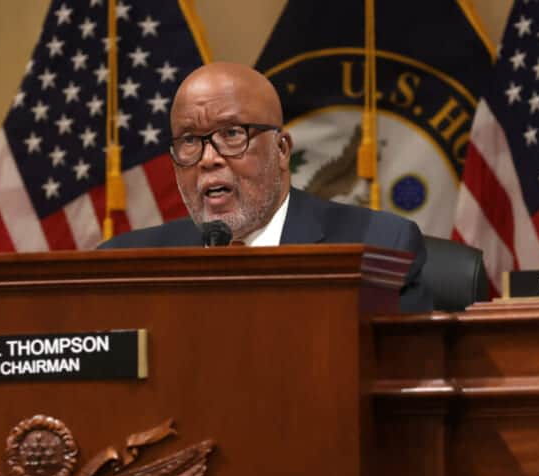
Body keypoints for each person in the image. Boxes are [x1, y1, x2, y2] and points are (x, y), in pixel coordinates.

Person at [99, 62, 432, 313]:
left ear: (282, 150)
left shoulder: (380, 247)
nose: (209, 159)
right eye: (189, 140)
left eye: (232, 134)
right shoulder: (120, 267)